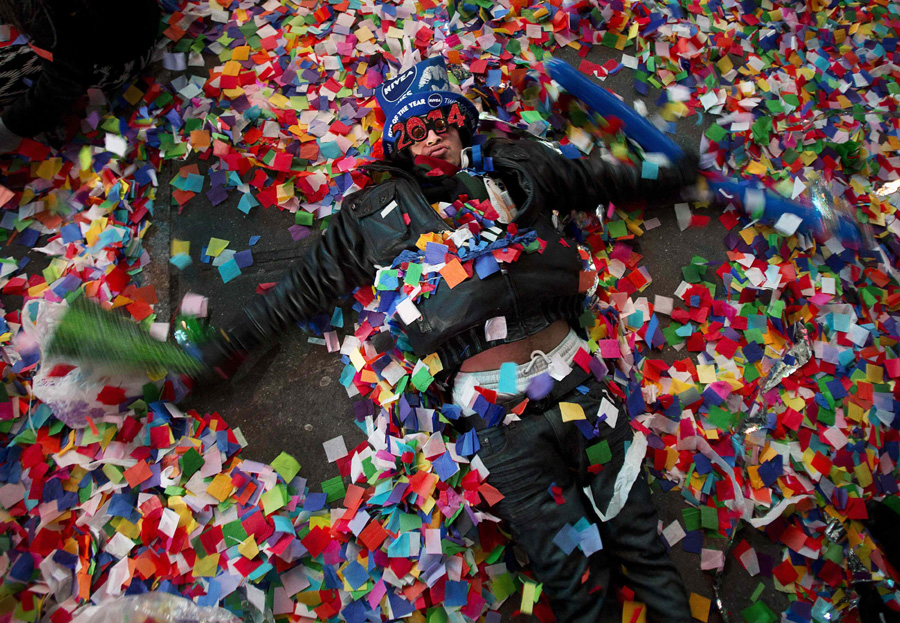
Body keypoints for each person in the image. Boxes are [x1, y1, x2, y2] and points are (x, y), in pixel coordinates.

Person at [198, 57, 696, 622]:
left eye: (442, 122)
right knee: (580, 590)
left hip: (581, 389)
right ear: (400, 147)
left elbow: (601, 181)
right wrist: (213, 356)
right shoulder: (371, 218)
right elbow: (289, 297)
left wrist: (679, 175)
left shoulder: (520, 166)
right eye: (415, 131)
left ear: (461, 123)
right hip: (500, 424)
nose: (433, 137)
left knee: (648, 555)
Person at [0, 0, 161, 153]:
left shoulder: (44, 12)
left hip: (120, 58)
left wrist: (11, 127)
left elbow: (65, 81)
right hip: (112, 26)